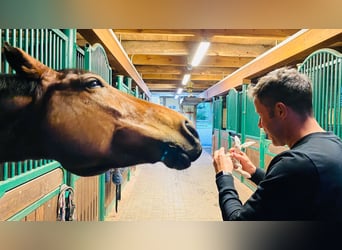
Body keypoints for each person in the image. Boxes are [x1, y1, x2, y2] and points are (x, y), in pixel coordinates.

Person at [213, 66, 342, 220]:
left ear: (281, 111)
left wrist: (224, 175)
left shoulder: (296, 163)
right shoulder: (334, 145)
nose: (260, 125)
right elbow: (293, 189)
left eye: (261, 116)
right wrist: (254, 172)